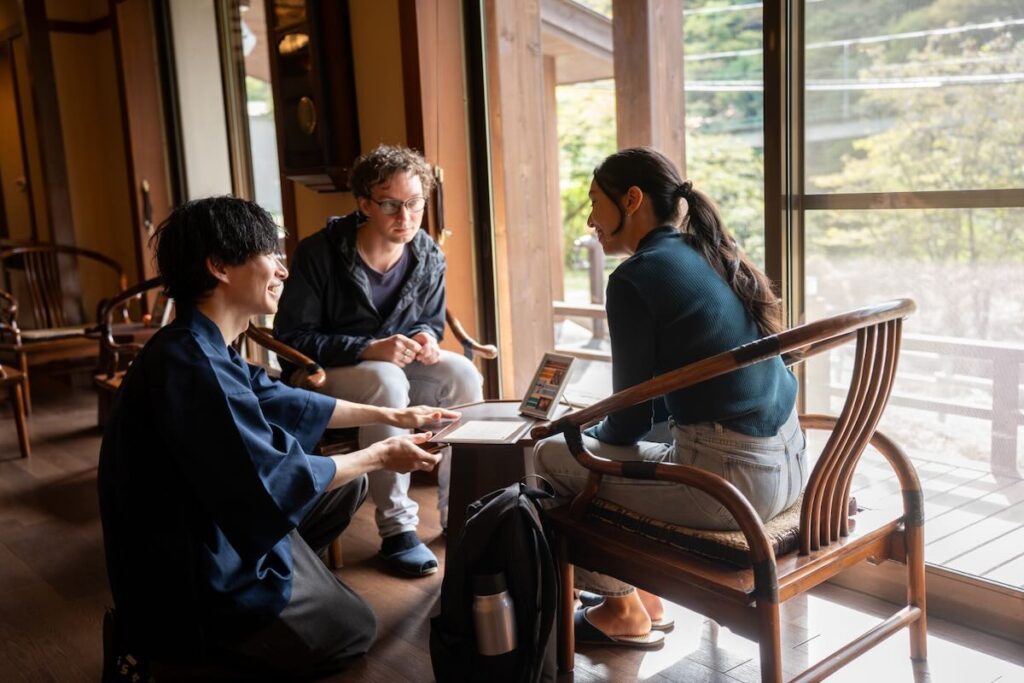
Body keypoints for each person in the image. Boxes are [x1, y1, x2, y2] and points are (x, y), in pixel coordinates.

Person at [98, 196, 459, 680]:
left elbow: (285, 401)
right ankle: (194, 650)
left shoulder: (198, 342)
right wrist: (380, 453)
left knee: (345, 485)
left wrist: (396, 413)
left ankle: (286, 587)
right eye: (271, 256)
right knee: (353, 630)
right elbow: (275, 478)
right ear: (219, 266)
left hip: (220, 522)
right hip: (190, 566)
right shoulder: (192, 366)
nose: (283, 272)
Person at [533, 147, 804, 649]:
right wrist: (600, 429)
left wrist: (584, 433)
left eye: (596, 203)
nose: (591, 219)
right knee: (621, 440)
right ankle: (646, 599)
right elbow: (658, 399)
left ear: (632, 200)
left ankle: (622, 610)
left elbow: (630, 417)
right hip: (794, 469)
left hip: (734, 495)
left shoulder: (635, 277)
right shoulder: (709, 249)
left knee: (550, 455)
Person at [274, 144, 483, 577]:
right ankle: (397, 529)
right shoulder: (320, 254)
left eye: (414, 204)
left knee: (463, 372)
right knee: (386, 379)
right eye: (390, 204)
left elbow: (429, 318)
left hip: (395, 370)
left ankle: (461, 509)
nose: (404, 217)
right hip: (319, 377)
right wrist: (367, 348)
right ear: (364, 203)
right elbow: (292, 336)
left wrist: (425, 337)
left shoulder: (428, 254)